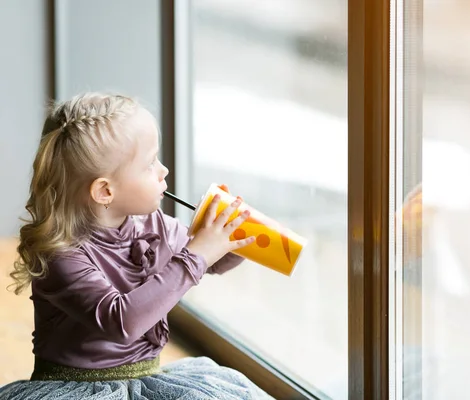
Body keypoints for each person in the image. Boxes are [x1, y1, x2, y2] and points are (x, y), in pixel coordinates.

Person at [0, 92, 273, 399]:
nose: (163, 170)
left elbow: (213, 262)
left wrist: (229, 237)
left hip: (148, 379)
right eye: (149, 164)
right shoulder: (61, 254)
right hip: (77, 388)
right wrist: (197, 253)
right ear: (105, 191)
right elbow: (123, 321)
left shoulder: (154, 226)